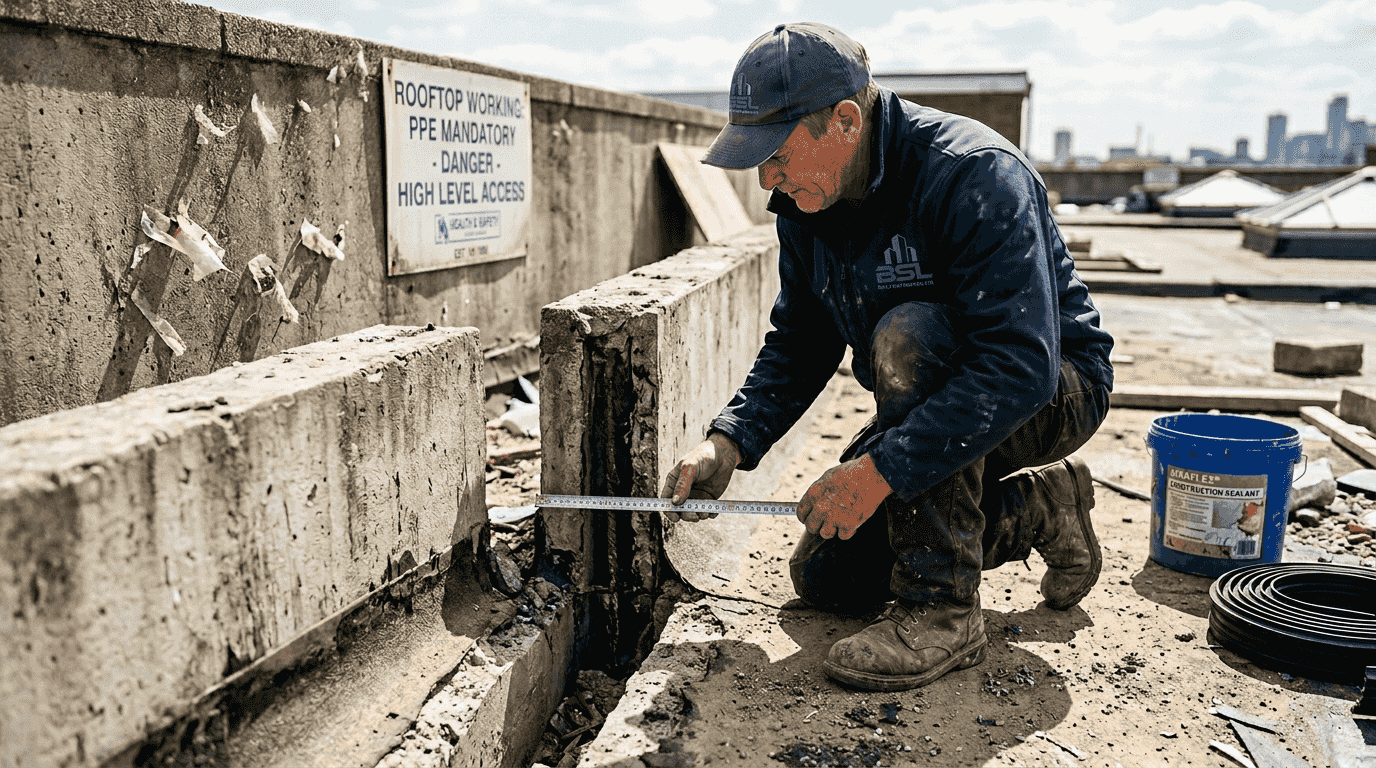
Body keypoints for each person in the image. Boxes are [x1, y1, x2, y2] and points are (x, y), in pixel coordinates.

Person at [660, 22, 1115, 692]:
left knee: (909, 337)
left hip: (1051, 390)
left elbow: (1020, 363)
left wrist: (881, 472)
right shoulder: (806, 203)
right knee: (828, 576)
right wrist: (730, 441)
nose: (766, 178)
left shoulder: (973, 173)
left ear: (844, 121)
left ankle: (943, 614)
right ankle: (1040, 510)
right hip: (936, 394)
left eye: (778, 153)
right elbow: (802, 339)